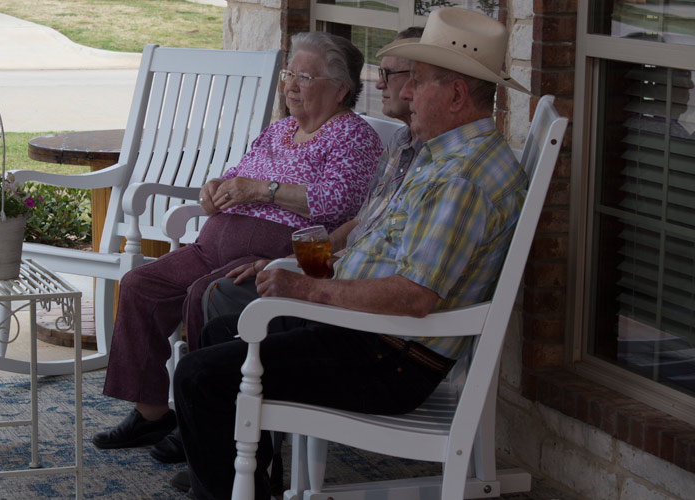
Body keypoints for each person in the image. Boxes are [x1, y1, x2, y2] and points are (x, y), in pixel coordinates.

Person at [173, 8, 531, 499]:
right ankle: (249, 488)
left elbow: (413, 297)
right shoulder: (439, 153)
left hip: (388, 358)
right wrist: (298, 267)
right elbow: (376, 240)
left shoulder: (461, 179)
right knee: (218, 334)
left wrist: (305, 287)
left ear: (455, 95)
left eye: (417, 81)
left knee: (199, 376)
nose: (403, 92)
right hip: (365, 330)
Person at [92, 31, 384, 461]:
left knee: (203, 296)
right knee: (140, 284)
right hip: (213, 242)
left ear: (340, 88)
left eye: (305, 76)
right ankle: (152, 414)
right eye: (289, 75)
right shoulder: (278, 130)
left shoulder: (352, 137)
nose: (291, 86)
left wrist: (263, 190)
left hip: (280, 250)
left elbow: (335, 203)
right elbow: (236, 177)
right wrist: (213, 191)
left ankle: (207, 428)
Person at [201, 26, 426, 328]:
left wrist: (302, 278)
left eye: (389, 75)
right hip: (334, 274)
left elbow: (343, 208)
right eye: (289, 76)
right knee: (158, 288)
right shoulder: (402, 145)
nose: (378, 85)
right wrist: (300, 261)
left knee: (216, 298)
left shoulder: (443, 167)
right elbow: (364, 222)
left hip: (356, 308)